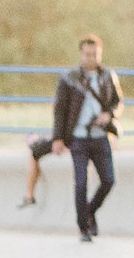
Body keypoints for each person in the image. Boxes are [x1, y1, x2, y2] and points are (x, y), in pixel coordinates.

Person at [51, 36, 124, 244]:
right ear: (80, 54)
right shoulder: (69, 78)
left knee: (108, 180)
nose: (91, 58)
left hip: (101, 137)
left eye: (94, 54)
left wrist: (108, 115)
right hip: (79, 138)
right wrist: (58, 138)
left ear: (99, 54)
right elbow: (60, 110)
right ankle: (83, 227)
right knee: (81, 183)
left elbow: (117, 103)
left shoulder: (108, 76)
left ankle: (89, 213)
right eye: (87, 54)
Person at [17, 132, 55, 207]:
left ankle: (29, 195)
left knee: (34, 153)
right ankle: (30, 194)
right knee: (34, 150)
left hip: (66, 137)